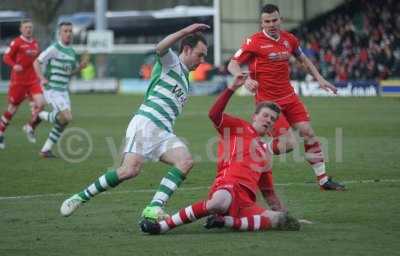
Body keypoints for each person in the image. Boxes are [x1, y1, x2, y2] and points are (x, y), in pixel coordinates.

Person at [60, 23, 210, 219]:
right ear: (187, 49)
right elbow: (160, 48)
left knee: (185, 161)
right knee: (129, 170)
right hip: (146, 123)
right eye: (200, 54)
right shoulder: (171, 62)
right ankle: (81, 197)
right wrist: (185, 32)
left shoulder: (185, 79)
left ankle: (154, 207)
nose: (202, 60)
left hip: (163, 131)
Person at [140, 74, 300, 235]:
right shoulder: (237, 126)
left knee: (280, 220)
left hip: (245, 204)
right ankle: (162, 226)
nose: (268, 120)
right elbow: (214, 114)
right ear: (255, 116)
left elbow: (268, 192)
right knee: (220, 203)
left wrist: (285, 215)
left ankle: (227, 221)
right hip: (227, 187)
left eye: (272, 119)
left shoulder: (266, 154)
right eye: (265, 115)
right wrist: (232, 88)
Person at [228, 4, 345, 195]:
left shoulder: (289, 39)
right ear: (262, 22)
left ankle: (323, 180)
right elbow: (232, 64)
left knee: (308, 132)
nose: (271, 24)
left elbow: (304, 61)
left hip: (289, 97)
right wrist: (245, 79)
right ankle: (255, 149)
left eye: (274, 20)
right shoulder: (254, 42)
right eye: (267, 21)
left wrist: (320, 79)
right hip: (268, 103)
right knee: (289, 144)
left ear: (280, 19)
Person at [32, 21, 88, 158]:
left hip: (63, 90)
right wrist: (42, 78)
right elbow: (36, 62)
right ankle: (40, 114)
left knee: (64, 121)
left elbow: (69, 73)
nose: (68, 34)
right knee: (67, 116)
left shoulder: (71, 52)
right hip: (52, 88)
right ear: (60, 33)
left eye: (70, 31)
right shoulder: (54, 48)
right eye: (65, 31)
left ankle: (45, 150)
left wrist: (80, 68)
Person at [0, 19, 46, 149]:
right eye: (26, 27)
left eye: (30, 27)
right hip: (18, 82)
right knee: (12, 109)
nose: (28, 29)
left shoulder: (36, 44)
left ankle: (30, 127)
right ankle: (0, 133)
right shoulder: (16, 42)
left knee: (41, 104)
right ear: (21, 29)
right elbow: (6, 57)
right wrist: (14, 66)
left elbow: (37, 60)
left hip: (32, 81)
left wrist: (41, 75)